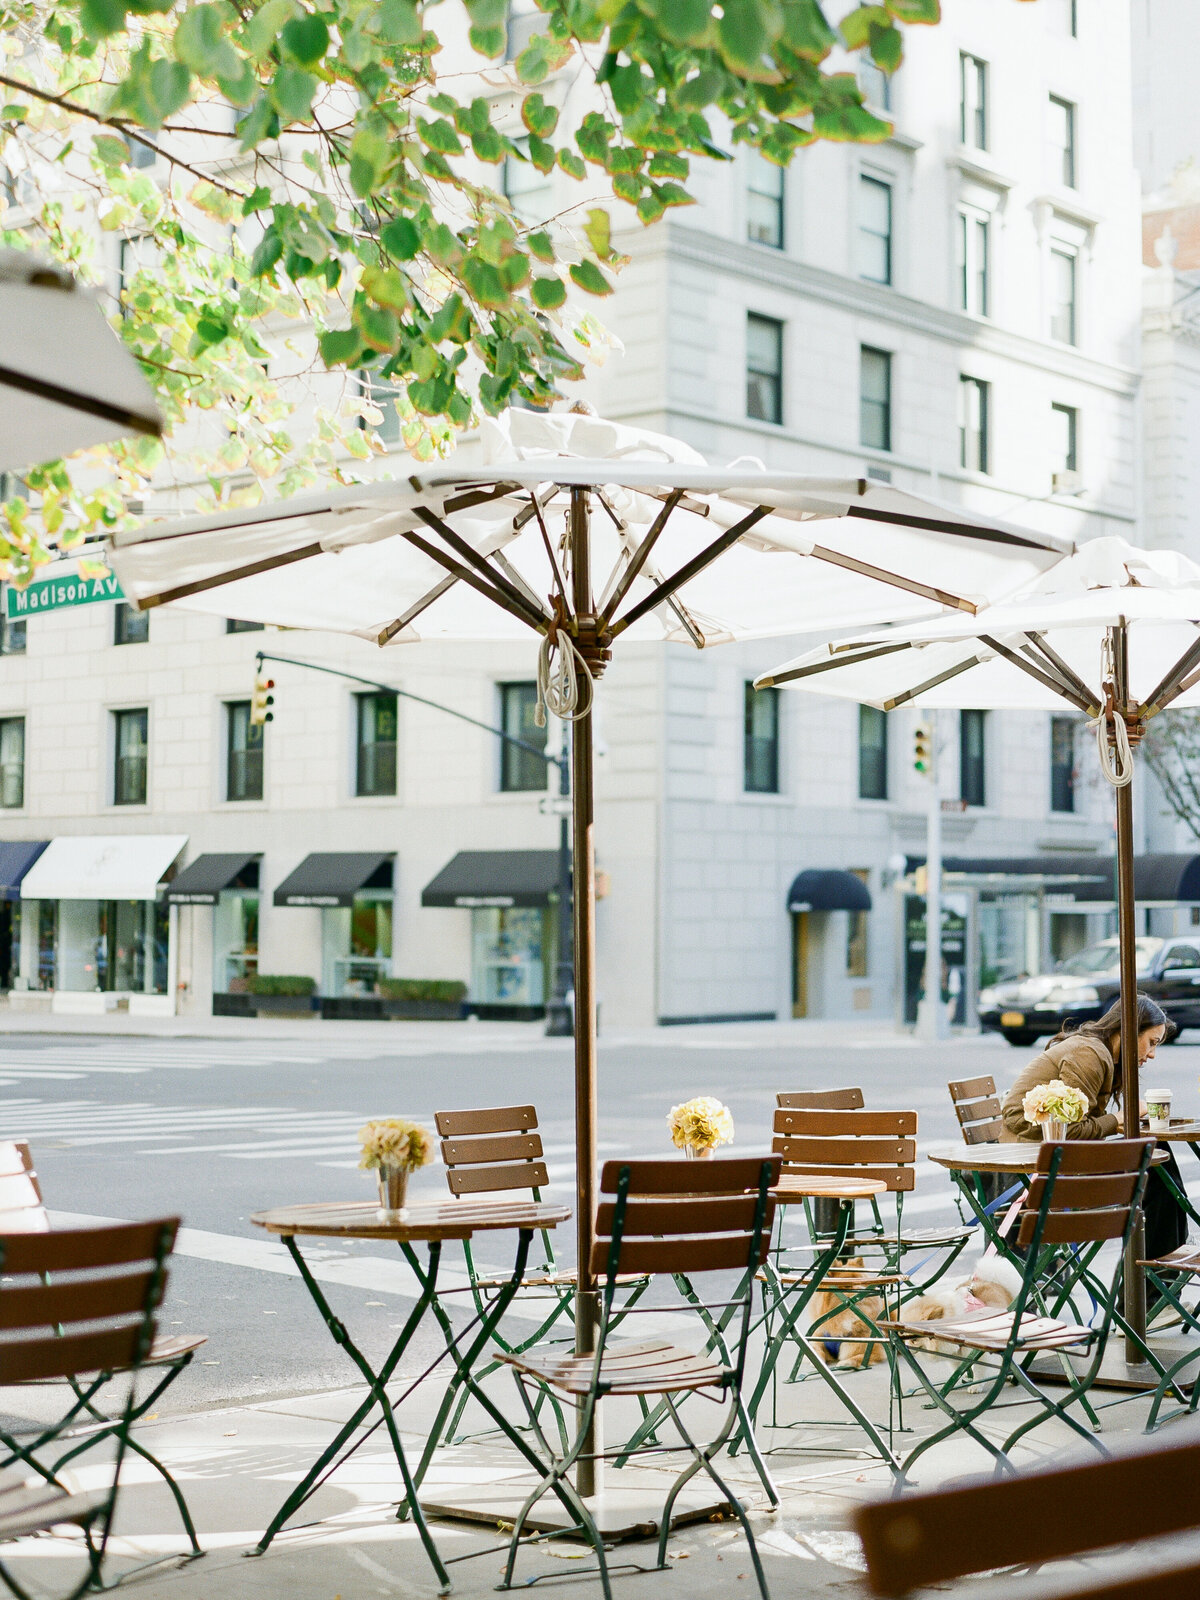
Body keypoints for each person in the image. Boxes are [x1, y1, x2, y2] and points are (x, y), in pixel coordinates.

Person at [1001, 994, 1187, 1264]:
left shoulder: (1100, 1053)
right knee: (1156, 1171)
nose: (1152, 1054)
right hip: (1037, 1164)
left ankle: (1155, 1284)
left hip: (1050, 1159)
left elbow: (1079, 1126)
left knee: (1156, 1160)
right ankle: (1154, 1288)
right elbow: (1070, 1130)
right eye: (1151, 1042)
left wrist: (1118, 1121)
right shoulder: (1090, 1054)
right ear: (1129, 1029)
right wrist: (1118, 1119)